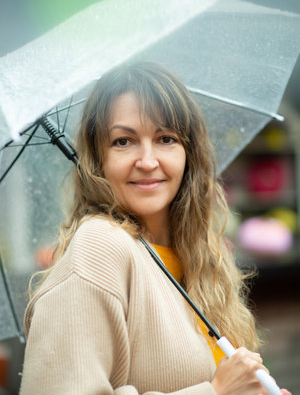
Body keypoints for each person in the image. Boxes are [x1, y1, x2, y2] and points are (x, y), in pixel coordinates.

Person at [20, 62, 290, 395]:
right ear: (97, 159)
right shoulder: (100, 247)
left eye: (165, 138)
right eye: (123, 141)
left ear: (188, 153)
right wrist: (216, 392)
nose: (148, 161)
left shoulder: (198, 255)